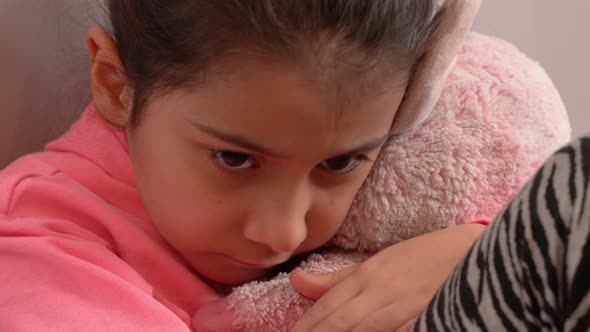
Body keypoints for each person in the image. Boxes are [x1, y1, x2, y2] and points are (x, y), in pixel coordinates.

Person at [1, 1, 581, 331]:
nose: (284, 232)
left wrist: (488, 259)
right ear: (116, 84)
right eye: (234, 158)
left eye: (340, 162)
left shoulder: (414, 198)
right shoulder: (34, 249)